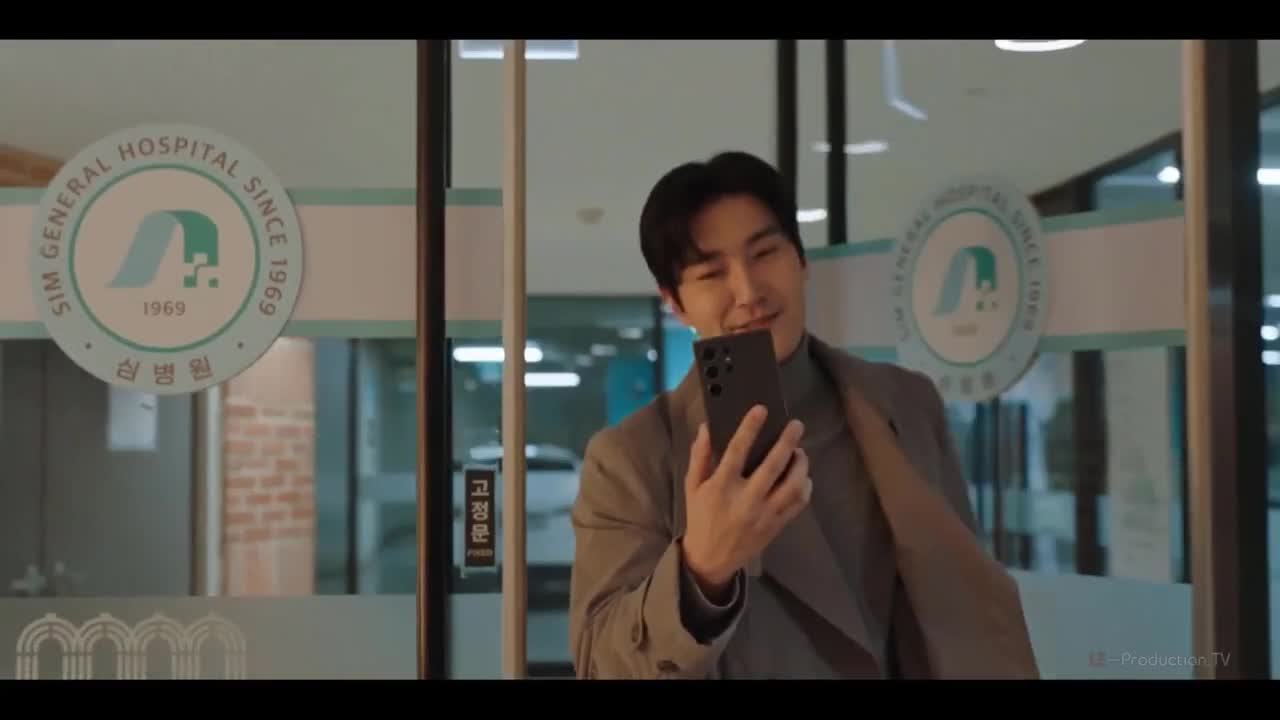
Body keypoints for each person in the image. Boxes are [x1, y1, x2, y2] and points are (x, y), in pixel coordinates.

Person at [567, 151, 1040, 680]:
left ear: (801, 260)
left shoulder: (904, 403)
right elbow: (600, 664)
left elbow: (961, 597)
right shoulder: (633, 458)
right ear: (675, 303)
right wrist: (702, 571)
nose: (749, 292)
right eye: (712, 272)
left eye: (765, 252)